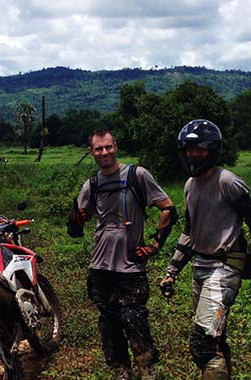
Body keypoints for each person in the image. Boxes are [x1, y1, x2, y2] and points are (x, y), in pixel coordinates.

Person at [158, 119, 251, 379]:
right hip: (200, 267)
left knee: (203, 344)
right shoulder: (190, 185)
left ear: (212, 150)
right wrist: (172, 271)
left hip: (224, 271)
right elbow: (189, 232)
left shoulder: (228, 182)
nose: (193, 154)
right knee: (216, 338)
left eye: (200, 149)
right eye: (189, 149)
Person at [67, 128, 178, 380]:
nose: (104, 152)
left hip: (130, 265)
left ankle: (146, 368)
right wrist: (75, 220)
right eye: (99, 149)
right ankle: (121, 371)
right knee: (109, 321)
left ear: (115, 146)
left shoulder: (137, 175)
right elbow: (75, 229)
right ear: (91, 152)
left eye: (108, 147)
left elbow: (168, 209)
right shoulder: (92, 184)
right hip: (100, 265)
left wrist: (156, 244)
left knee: (133, 317)